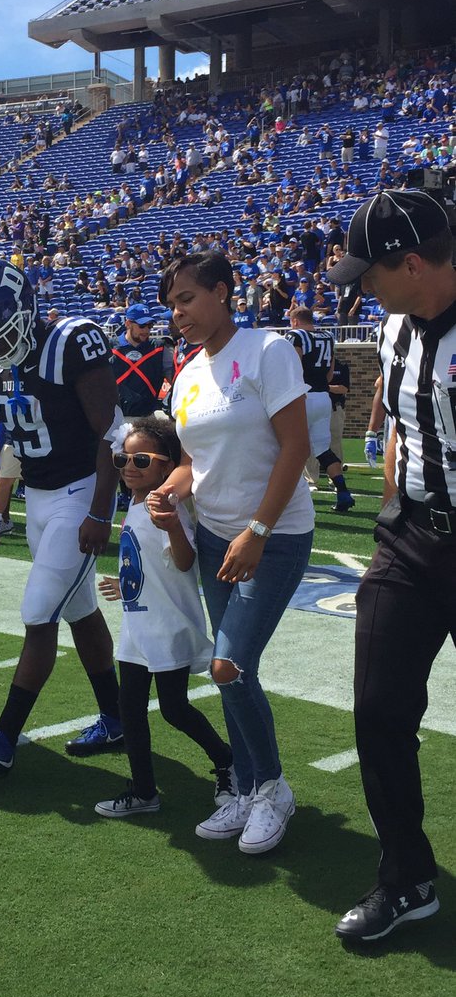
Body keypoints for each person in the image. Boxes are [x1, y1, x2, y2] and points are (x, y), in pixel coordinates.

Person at [327, 190, 455, 942]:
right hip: (409, 539)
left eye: (369, 271)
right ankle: (406, 877)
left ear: (411, 263)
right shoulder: (395, 328)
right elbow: (405, 425)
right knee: (378, 710)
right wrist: (393, 512)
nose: (360, 286)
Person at [160, 251, 314, 854]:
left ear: (223, 292)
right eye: (173, 304)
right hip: (215, 537)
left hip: (271, 537)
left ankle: (273, 788)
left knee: (229, 664)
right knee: (229, 673)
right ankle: (248, 788)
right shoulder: (190, 370)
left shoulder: (268, 350)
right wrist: (169, 493)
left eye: (188, 299)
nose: (178, 314)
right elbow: (192, 460)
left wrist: (258, 530)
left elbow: (295, 445)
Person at [0, 258, 123, 777]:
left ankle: (4, 738)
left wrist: (98, 512)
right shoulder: (10, 356)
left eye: (1, 335)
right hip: (40, 497)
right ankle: (115, 719)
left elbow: (111, 436)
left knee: (38, 612)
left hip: (78, 494)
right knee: (79, 611)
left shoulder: (73, 341)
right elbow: (13, 397)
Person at [94, 415, 234, 818]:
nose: (129, 469)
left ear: (167, 466)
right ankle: (143, 791)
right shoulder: (137, 504)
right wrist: (127, 584)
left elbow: (186, 560)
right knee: (131, 709)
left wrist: (172, 526)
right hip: (138, 625)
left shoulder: (168, 508)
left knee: (174, 709)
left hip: (168, 626)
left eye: (142, 461)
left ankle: (226, 760)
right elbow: (151, 562)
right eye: (124, 461)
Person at [286, 307, 355, 512]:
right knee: (323, 448)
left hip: (303, 397)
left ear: (296, 321)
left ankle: (287, 497)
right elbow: (330, 371)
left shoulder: (295, 336)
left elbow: (293, 366)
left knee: (287, 446)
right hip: (323, 397)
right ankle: (342, 492)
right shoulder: (327, 336)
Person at [109, 304, 171, 420]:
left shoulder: (159, 349)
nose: (147, 330)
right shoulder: (109, 347)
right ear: (128, 324)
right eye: (142, 326)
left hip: (146, 418)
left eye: (150, 326)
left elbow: (175, 380)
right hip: (116, 419)